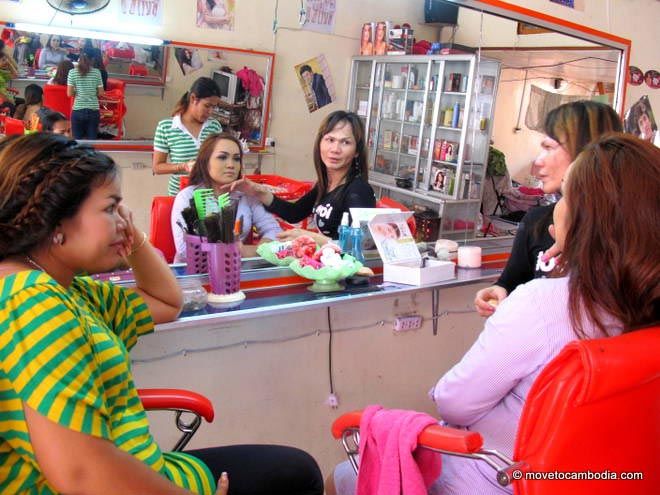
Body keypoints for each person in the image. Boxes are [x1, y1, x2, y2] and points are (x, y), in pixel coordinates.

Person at [328, 133, 660, 495]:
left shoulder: (545, 304)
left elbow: (454, 403)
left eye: (565, 196)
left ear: (588, 218)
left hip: (499, 476)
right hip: (604, 479)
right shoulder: (640, 308)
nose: (557, 207)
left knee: (342, 475)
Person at [0, 132, 325, 495]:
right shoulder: (32, 301)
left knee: (296, 468)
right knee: (299, 476)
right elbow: (81, 474)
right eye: (110, 209)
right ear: (55, 220)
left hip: (144, 466)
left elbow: (168, 304)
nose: (123, 220)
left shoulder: (67, 288)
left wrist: (134, 238)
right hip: (119, 480)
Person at [474, 100, 622, 317]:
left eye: (549, 148)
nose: (538, 161)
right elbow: (510, 283)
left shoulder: (629, 227)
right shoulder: (537, 221)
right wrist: (498, 291)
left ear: (587, 152)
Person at [224, 110, 376, 244]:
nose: (335, 149)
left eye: (345, 142)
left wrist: (309, 237)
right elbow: (295, 213)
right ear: (320, 143)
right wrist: (258, 191)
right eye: (330, 140)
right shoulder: (326, 184)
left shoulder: (359, 191)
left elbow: (357, 248)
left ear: (357, 151)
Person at [171, 133, 282, 260]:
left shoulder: (246, 196)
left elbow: (275, 232)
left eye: (236, 159)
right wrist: (225, 250)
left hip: (234, 269)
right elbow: (184, 250)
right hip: (195, 272)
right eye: (222, 157)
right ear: (205, 162)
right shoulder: (187, 196)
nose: (231, 165)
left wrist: (248, 250)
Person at [153, 76, 223, 196]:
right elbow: (157, 167)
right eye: (207, 106)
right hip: (179, 195)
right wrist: (183, 166)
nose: (211, 111)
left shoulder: (214, 126)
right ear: (193, 99)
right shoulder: (166, 127)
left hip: (209, 196)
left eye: (214, 107)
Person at [67, 51, 104, 139]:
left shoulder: (72, 72)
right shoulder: (97, 72)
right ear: (92, 60)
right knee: (92, 141)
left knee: (77, 141)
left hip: (78, 110)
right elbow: (101, 92)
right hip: (93, 110)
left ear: (79, 59)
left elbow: (69, 93)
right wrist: (91, 92)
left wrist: (78, 92)